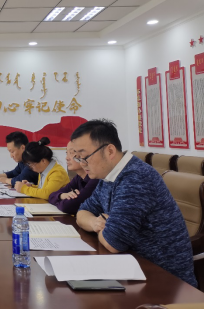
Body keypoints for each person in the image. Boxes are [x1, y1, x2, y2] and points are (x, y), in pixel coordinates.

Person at [74, 119, 197, 288]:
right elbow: (82, 212)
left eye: (85, 157)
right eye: (78, 158)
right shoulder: (108, 177)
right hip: (135, 271)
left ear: (110, 151)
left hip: (166, 283)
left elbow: (114, 242)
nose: (82, 164)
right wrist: (96, 223)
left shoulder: (136, 178)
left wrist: (106, 228)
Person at [48, 141, 99, 215]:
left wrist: (60, 201)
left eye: (71, 153)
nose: (66, 158)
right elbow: (51, 196)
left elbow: (68, 206)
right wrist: (62, 196)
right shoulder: (78, 178)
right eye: (67, 153)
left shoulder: (95, 179)